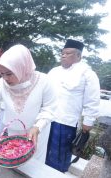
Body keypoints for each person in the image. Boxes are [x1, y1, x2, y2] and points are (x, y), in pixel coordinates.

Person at [45, 39, 100, 172]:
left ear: (78, 56)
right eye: (62, 53)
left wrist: (88, 122)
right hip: (46, 118)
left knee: (59, 156)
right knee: (43, 151)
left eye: (68, 53)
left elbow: (92, 100)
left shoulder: (87, 74)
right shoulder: (54, 71)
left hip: (65, 122)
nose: (63, 55)